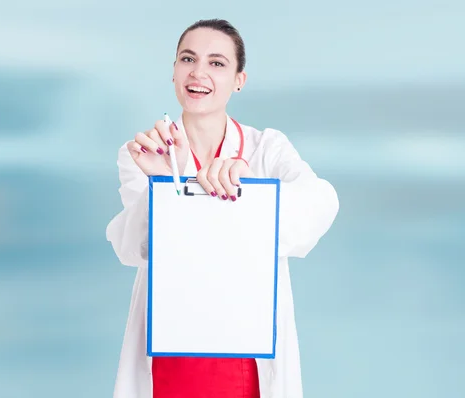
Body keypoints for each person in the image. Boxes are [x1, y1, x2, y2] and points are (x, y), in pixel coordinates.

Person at [106, 18, 339, 398]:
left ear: (239, 80)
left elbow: (322, 201)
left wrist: (245, 187)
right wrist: (167, 183)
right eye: (188, 59)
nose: (199, 72)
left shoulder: (265, 149)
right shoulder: (143, 153)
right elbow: (132, 246)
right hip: (170, 350)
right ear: (174, 71)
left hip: (244, 354)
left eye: (217, 63)